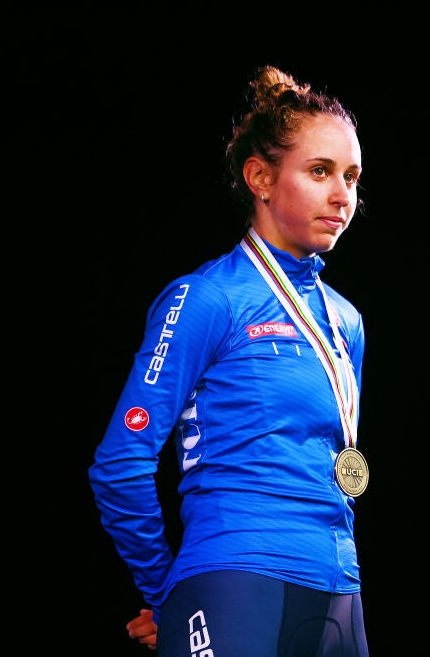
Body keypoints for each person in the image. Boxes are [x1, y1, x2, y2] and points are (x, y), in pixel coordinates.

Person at [89, 64, 371, 656]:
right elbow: (121, 461)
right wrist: (166, 594)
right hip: (236, 580)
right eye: (320, 172)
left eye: (351, 176)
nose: (342, 195)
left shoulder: (346, 321)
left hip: (341, 595)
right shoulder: (206, 299)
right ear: (260, 178)